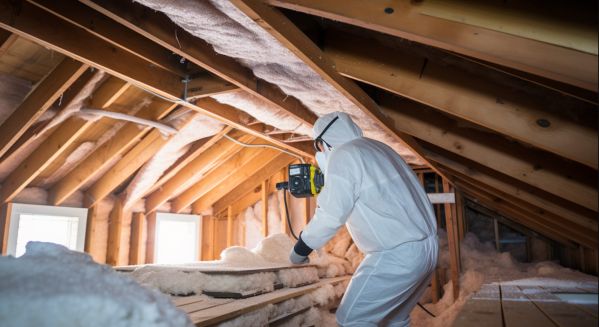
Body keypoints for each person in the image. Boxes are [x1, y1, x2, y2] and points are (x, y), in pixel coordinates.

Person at [289, 112, 438, 327]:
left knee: (352, 319)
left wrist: (299, 251)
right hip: (426, 250)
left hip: (397, 255)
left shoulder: (344, 155)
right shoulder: (377, 148)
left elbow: (330, 215)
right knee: (394, 320)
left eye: (319, 147)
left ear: (323, 142)